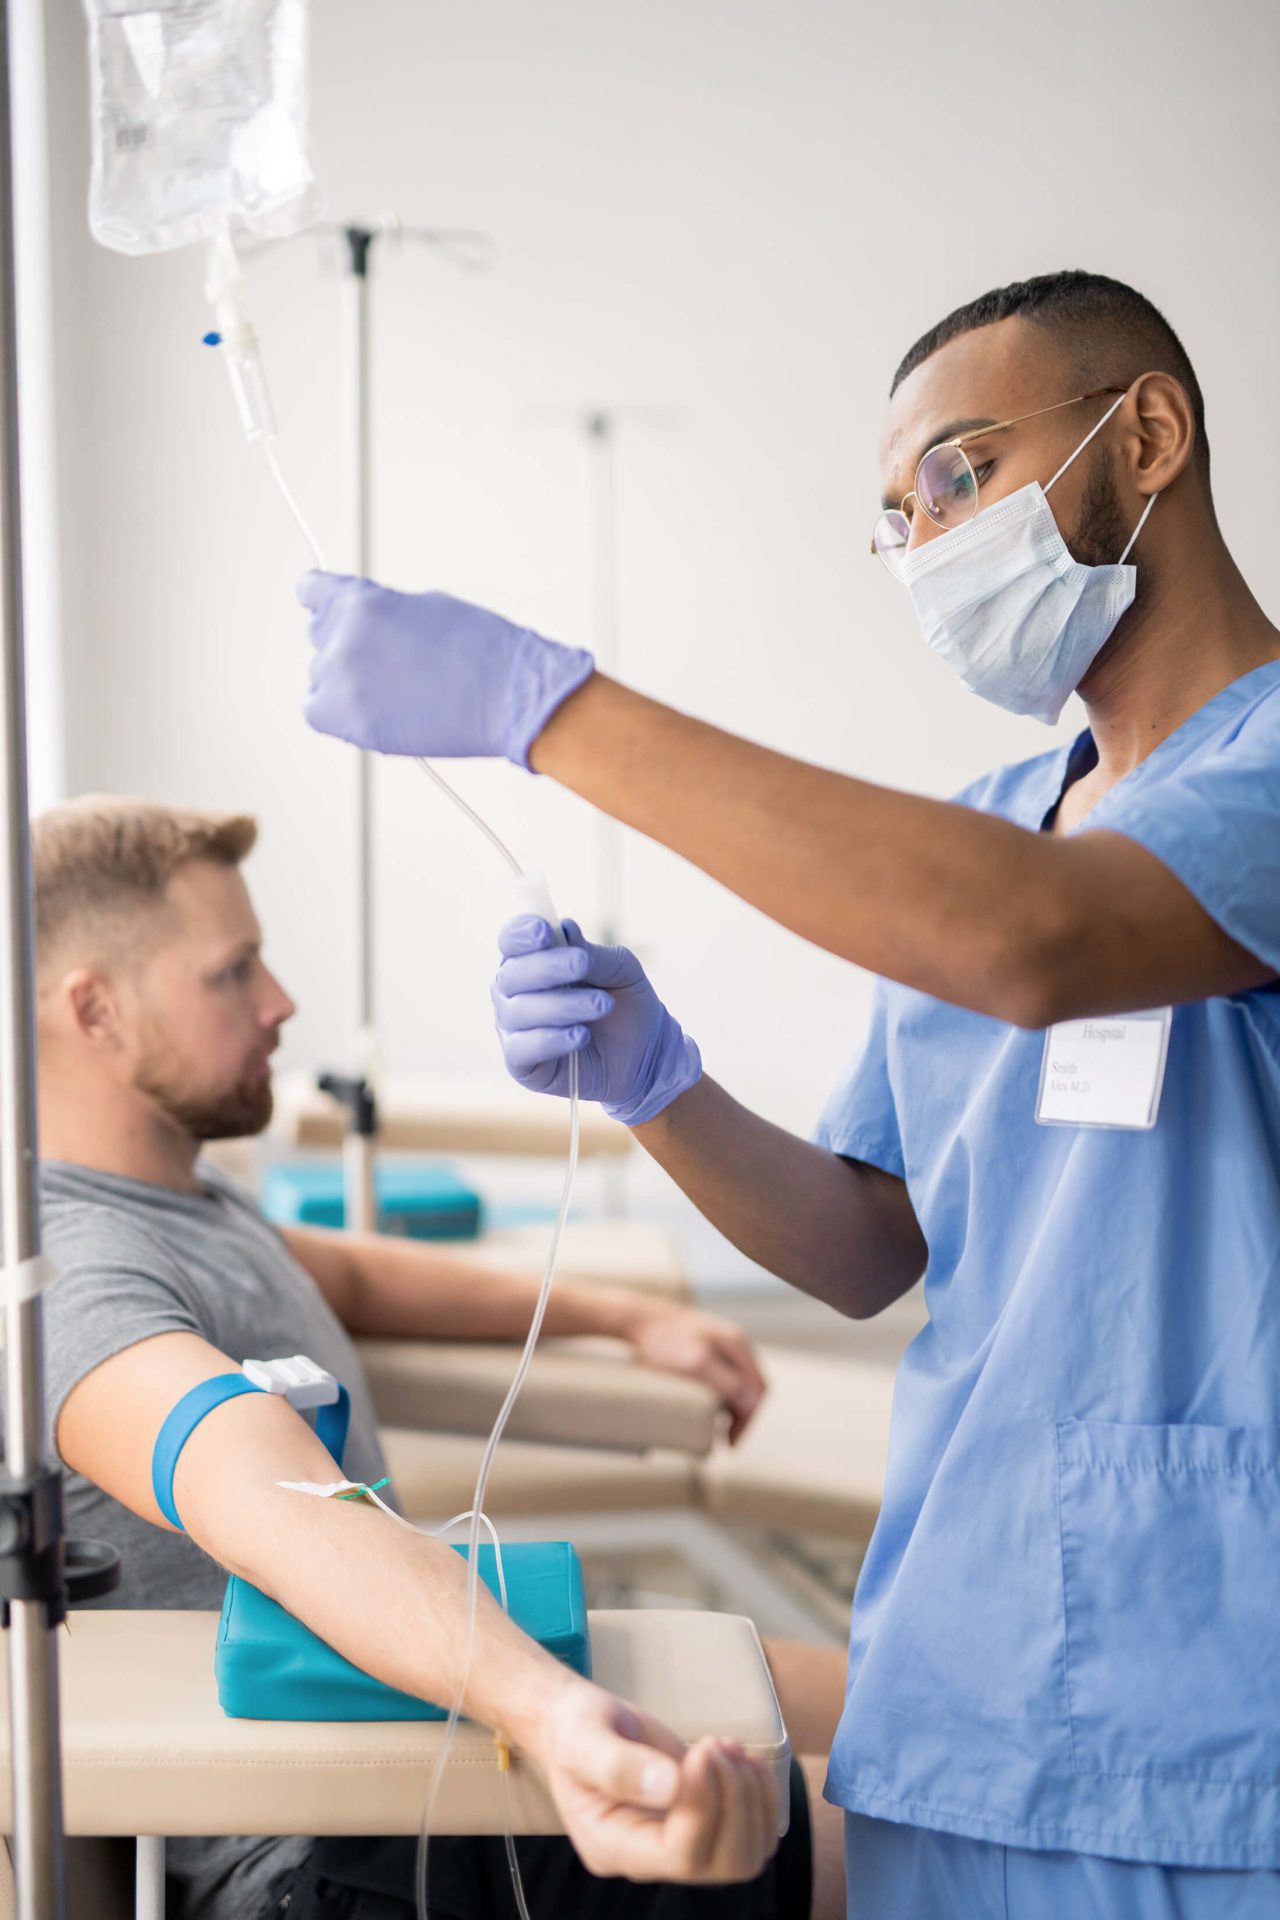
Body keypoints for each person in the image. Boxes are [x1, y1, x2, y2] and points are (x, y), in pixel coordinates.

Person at [299, 269, 1280, 1918]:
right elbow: (863, 1244)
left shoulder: (1219, 794)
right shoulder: (998, 814)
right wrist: (658, 1083)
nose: (930, 540)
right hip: (960, 1675)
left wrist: (546, 709)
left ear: (1151, 435)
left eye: (963, 471)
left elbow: (1035, 945)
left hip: (1218, 1702)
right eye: (900, 514)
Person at [31, 796, 847, 1920]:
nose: (280, 1002)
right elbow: (271, 1498)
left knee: (889, 1708)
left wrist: (620, 1316)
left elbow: (348, 1274)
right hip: (343, 1858)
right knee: (943, 1821)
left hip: (420, 1729)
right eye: (233, 973)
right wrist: (550, 1710)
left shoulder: (183, 1195)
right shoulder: (70, 1270)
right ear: (95, 1009)